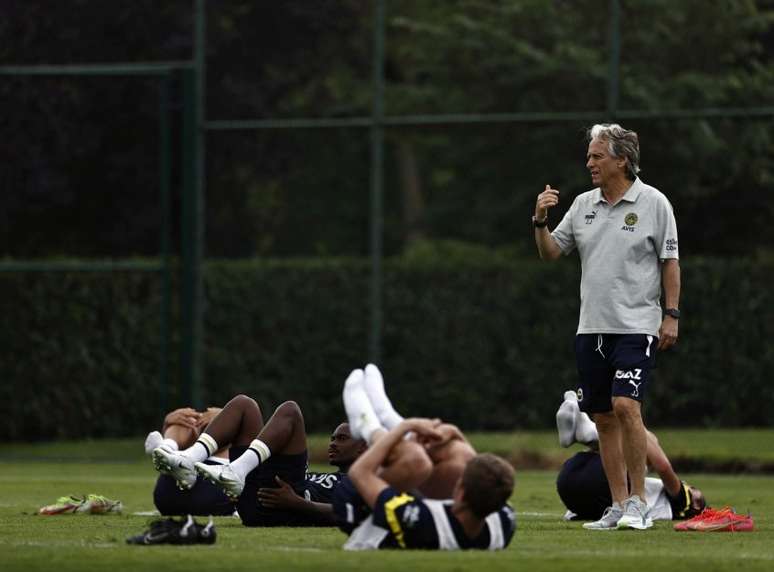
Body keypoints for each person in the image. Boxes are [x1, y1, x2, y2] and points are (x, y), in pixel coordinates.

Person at [533, 123, 680, 530]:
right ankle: (617, 505)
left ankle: (638, 504)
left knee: (626, 406)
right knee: (602, 417)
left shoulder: (654, 203)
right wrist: (540, 219)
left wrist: (671, 314)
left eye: (597, 156)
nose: (589, 163)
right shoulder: (582, 205)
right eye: (589, 157)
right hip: (590, 328)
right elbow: (551, 254)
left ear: (622, 159)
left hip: (636, 325)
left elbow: (670, 262)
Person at [334, 365, 516, 550]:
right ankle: (387, 416)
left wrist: (407, 426)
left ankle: (367, 424)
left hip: (355, 503)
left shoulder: (421, 523)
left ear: (460, 494)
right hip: (415, 505)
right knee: (461, 454)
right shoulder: (503, 522)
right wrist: (454, 433)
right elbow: (478, 468)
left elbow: (359, 473)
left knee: (415, 461)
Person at [152, 394, 367, 526]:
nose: (332, 444)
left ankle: (235, 471)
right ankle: (189, 458)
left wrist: (298, 504)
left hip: (286, 503)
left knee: (291, 410)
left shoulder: (363, 481)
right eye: (332, 438)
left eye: (342, 439)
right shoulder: (334, 476)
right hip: (259, 501)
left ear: (362, 448)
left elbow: (345, 513)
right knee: (245, 405)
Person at [554, 391, 706, 523]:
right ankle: (590, 435)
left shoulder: (682, 502)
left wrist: (635, 426)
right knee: (630, 456)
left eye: (693, 489)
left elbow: (663, 466)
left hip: (585, 476)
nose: (688, 485)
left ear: (696, 503)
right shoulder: (660, 506)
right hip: (570, 490)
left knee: (643, 447)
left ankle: (591, 434)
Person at [145, 407, 236, 517]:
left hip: (167, 497)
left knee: (188, 423)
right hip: (213, 493)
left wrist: (225, 417)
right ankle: (167, 446)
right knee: (184, 421)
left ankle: (166, 445)